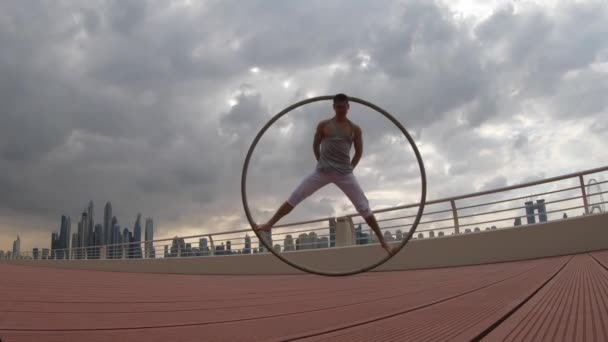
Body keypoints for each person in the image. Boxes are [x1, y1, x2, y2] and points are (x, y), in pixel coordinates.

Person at [255, 93, 399, 255]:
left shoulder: (354, 129)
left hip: (344, 173)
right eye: (338, 107)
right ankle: (269, 224)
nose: (341, 110)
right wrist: (320, 162)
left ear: (348, 107)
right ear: (334, 107)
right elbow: (315, 145)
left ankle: (384, 243)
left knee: (363, 207)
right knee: (296, 196)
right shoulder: (324, 125)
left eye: (343, 107)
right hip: (322, 171)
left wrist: (350, 168)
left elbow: (359, 152)